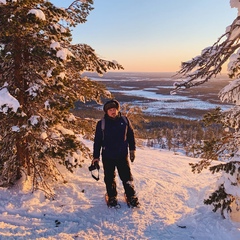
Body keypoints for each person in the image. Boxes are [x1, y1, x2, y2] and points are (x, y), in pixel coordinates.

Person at [92, 99, 139, 207]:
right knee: (109, 177)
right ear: (106, 112)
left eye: (114, 109)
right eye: (110, 110)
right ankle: (112, 196)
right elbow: (97, 141)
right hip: (107, 156)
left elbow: (131, 136)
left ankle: (130, 195)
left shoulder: (125, 120)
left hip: (122, 155)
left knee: (126, 176)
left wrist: (132, 150)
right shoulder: (102, 124)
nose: (113, 111)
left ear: (117, 110)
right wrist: (95, 157)